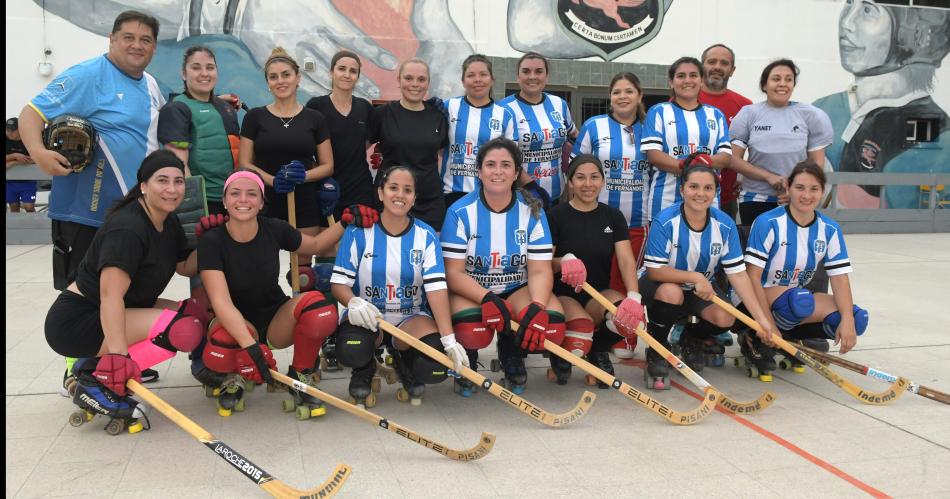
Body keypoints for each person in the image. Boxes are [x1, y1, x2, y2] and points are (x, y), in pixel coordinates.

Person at [44, 150, 206, 433]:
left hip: (117, 307)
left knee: (195, 312)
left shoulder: (168, 220)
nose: (172, 189)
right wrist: (120, 357)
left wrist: (210, 242)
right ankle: (99, 378)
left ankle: (91, 366)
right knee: (183, 329)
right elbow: (110, 295)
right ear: (143, 185)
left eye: (178, 181)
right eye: (162, 180)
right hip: (80, 319)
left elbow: (184, 266)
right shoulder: (128, 229)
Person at [195, 170, 376, 417]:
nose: (243, 200)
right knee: (221, 342)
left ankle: (300, 374)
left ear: (261, 202)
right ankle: (231, 377)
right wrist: (252, 349)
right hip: (234, 322)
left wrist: (346, 222)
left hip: (274, 319)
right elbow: (221, 302)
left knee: (320, 309)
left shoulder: (274, 228)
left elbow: (315, 245)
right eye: (235, 194)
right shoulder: (211, 240)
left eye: (252, 194)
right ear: (225, 201)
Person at [19, 10, 165, 292]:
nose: (137, 45)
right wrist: (38, 153)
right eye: (128, 37)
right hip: (84, 215)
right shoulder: (87, 75)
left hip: (130, 212)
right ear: (111, 39)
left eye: (145, 39)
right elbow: (30, 114)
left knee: (124, 295)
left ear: (154, 47)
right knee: (82, 300)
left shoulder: (150, 83)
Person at [633, 160, 779, 389]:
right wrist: (696, 278)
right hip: (661, 283)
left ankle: (690, 339)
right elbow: (655, 270)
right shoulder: (665, 220)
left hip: (700, 288)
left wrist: (761, 320)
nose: (700, 193)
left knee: (725, 317)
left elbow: (739, 275)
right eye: (693, 187)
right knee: (671, 293)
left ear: (715, 192)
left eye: (708, 188)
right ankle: (657, 348)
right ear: (682, 190)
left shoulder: (725, 225)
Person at [330, 165, 466, 407]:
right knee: (351, 349)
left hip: (409, 318)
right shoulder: (358, 231)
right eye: (393, 188)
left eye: (407, 190)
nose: (400, 195)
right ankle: (364, 367)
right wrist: (353, 302)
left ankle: (403, 360)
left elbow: (436, 289)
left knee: (435, 367)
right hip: (368, 317)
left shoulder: (426, 236)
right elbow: (339, 284)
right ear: (381, 193)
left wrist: (449, 340)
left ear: (414, 197)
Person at [441, 137, 560, 396]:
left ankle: (511, 352)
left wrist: (538, 306)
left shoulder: (532, 210)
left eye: (506, 165)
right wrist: (487, 297)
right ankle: (468, 357)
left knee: (552, 325)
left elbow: (540, 269)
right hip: (473, 289)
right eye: (491, 165)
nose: (498, 171)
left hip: (516, 287)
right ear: (479, 171)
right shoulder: (459, 211)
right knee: (471, 329)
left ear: (517, 172)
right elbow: (453, 272)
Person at [814, 0, 949, 209]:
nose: (847, 23)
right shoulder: (822, 108)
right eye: (849, 4)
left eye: (868, 10)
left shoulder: (935, 128)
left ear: (909, 32)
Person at [744, 161, 865, 375]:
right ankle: (754, 338)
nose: (806, 195)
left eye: (814, 189)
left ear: (822, 191)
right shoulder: (768, 222)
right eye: (800, 188)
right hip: (755, 294)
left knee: (856, 319)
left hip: (793, 298)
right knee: (800, 301)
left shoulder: (829, 228)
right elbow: (752, 277)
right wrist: (767, 323)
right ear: (788, 188)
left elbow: (839, 278)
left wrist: (847, 321)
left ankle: (791, 338)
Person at [305, 50, 378, 371]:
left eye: (353, 70)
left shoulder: (364, 108)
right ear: (332, 72)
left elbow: (378, 142)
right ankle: (326, 333)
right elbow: (305, 146)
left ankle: (355, 327)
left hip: (360, 191)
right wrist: (316, 180)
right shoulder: (316, 106)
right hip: (326, 193)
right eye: (342, 69)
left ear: (358, 76)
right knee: (327, 264)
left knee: (357, 263)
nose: (347, 75)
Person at [571, 72, 651, 359]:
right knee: (599, 280)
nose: (622, 96)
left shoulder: (649, 128)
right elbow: (576, 169)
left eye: (629, 91)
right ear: (610, 96)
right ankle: (593, 336)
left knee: (626, 282)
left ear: (639, 95)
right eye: (617, 92)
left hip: (638, 219)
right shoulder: (594, 126)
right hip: (599, 219)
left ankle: (625, 338)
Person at [239, 47, 334, 286]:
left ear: (297, 78)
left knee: (301, 273)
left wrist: (302, 176)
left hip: (303, 201)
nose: (280, 81)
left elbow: (327, 165)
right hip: (264, 201)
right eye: (274, 77)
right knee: (262, 266)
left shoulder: (315, 118)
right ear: (268, 83)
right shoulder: (255, 117)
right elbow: (244, 163)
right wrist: (272, 180)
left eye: (286, 74)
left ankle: (301, 313)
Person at [547, 154, 645, 388]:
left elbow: (625, 261)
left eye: (594, 177)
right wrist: (564, 260)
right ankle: (562, 352)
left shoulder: (613, 216)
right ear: (570, 182)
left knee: (630, 319)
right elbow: (543, 263)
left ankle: (598, 351)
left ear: (602, 181)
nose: (587, 184)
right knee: (580, 330)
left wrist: (634, 295)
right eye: (580, 178)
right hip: (563, 296)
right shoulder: (555, 216)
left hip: (597, 294)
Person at [730, 59, 833, 227]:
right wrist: (769, 177)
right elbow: (733, 159)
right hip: (755, 197)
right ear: (764, 85)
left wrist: (797, 188)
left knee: (792, 249)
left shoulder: (811, 115)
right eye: (776, 79)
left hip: (795, 198)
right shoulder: (748, 114)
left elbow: (817, 163)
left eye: (788, 79)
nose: (782, 84)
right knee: (758, 248)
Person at [641, 56, 732, 222]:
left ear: (702, 81)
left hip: (707, 202)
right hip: (665, 201)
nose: (687, 80)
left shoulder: (716, 114)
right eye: (681, 76)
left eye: (693, 75)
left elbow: (725, 157)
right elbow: (653, 155)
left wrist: (703, 163)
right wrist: (686, 166)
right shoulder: (658, 111)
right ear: (671, 82)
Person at [158, 46, 241, 216]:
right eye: (196, 67)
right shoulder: (176, 109)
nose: (204, 73)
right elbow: (179, 165)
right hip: (203, 203)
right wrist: (194, 209)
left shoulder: (227, 108)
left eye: (210, 67)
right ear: (184, 73)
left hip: (233, 199)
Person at [368, 58, 449, 230]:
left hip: (429, 202)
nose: (415, 84)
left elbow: (442, 156)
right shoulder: (382, 114)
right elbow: (358, 150)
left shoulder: (438, 116)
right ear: (398, 80)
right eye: (408, 78)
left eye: (421, 79)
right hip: (391, 200)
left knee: (427, 255)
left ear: (428, 83)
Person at [439, 54, 517, 208]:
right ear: (463, 81)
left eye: (483, 74)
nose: (477, 80)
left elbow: (512, 158)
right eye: (471, 75)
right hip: (451, 193)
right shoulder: (449, 107)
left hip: (490, 193)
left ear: (492, 79)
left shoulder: (504, 115)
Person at [500, 52, 577, 205]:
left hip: (558, 196)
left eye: (539, 71)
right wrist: (531, 186)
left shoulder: (559, 104)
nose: (532, 76)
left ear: (547, 77)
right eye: (526, 71)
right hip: (520, 195)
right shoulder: (503, 109)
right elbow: (502, 157)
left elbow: (575, 136)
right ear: (518, 76)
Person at [699, 44, 753, 220]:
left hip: (726, 200)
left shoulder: (745, 106)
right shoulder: (683, 100)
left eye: (724, 63)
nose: (717, 67)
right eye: (711, 61)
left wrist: (743, 176)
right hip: (687, 194)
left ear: (732, 70)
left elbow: (755, 146)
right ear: (702, 66)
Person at [5, 117, 37, 213]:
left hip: (28, 182)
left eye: (13, 130)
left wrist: (13, 162)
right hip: (9, 182)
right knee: (14, 207)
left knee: (29, 207)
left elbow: (36, 158)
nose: (9, 132)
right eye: (7, 129)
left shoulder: (29, 139)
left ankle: (34, 226)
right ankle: (17, 228)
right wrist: (15, 156)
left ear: (20, 129)